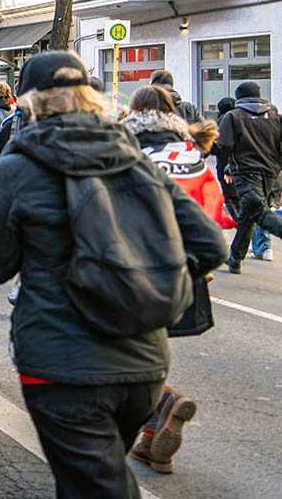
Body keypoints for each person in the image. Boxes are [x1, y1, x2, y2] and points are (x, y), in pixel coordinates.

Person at [0, 52, 226, 499]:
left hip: (60, 364)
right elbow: (210, 244)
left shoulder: (20, 163)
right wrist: (153, 281)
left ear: (29, 103)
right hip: (143, 363)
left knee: (96, 486)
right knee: (92, 481)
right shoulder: (132, 154)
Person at [121, 85, 228, 474]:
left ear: (133, 111)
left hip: (133, 267)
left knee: (121, 357)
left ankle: (164, 403)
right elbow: (212, 211)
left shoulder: (124, 148)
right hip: (187, 268)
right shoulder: (190, 153)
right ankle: (152, 444)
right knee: (152, 351)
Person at [219, 81, 282, 272]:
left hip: (246, 173)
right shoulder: (277, 117)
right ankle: (235, 258)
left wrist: (229, 165)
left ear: (239, 97)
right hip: (271, 174)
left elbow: (224, 145)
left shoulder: (232, 116)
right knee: (248, 214)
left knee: (258, 211)